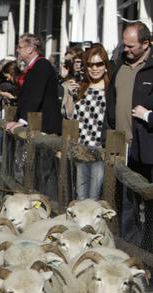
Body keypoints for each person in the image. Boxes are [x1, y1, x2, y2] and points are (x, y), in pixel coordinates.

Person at [105, 21, 152, 243]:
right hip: (121, 146)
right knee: (126, 205)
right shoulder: (120, 66)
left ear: (146, 43)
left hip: (147, 148)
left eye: (131, 46)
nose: (126, 50)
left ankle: (147, 254)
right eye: (124, 45)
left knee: (149, 206)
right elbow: (111, 103)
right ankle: (126, 250)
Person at [62, 45, 110, 200]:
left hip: (100, 151)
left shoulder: (110, 90)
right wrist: (69, 94)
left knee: (95, 197)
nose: (94, 68)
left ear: (106, 66)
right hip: (81, 149)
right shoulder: (82, 87)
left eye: (99, 64)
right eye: (90, 65)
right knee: (81, 197)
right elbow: (69, 115)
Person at [6, 34, 62, 135]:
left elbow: (35, 96)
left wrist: (22, 121)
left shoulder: (42, 65)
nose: (17, 50)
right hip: (35, 125)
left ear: (30, 49)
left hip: (44, 127)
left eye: (19, 47)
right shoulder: (34, 66)